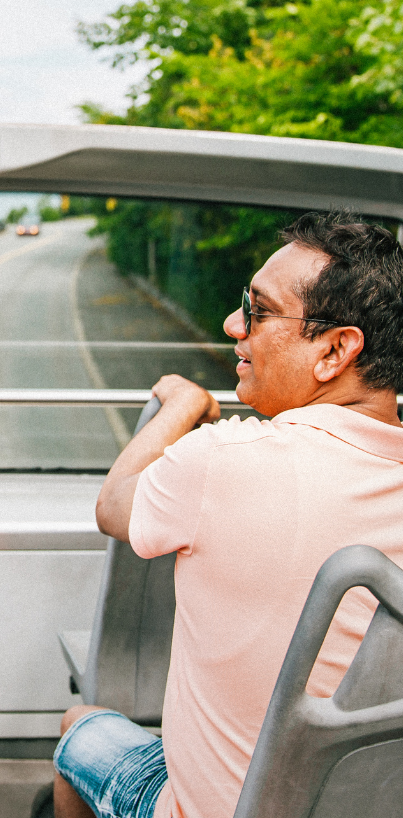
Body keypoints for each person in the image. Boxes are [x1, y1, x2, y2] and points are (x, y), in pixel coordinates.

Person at [53, 212, 403, 818]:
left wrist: (182, 404)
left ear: (336, 349)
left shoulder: (222, 461)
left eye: (258, 309)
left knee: (80, 726)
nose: (233, 323)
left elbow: (114, 507)